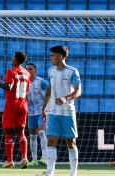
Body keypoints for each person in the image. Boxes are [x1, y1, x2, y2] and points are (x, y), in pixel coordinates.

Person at [36, 45, 81, 176]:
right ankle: (50, 172)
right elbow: (48, 91)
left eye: (52, 55)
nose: (50, 58)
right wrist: (44, 109)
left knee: (71, 143)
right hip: (53, 112)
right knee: (51, 140)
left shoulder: (72, 71)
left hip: (67, 112)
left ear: (60, 57)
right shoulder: (51, 71)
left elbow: (78, 91)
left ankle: (73, 173)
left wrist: (66, 98)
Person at [0, 51, 31, 169]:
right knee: (21, 133)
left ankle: (10, 160)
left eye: (12, 58)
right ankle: (24, 157)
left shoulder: (11, 71)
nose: (11, 60)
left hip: (12, 105)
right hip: (23, 104)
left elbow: (8, 87)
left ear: (15, 60)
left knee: (8, 134)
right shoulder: (27, 73)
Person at [25, 63, 48, 166]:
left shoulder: (41, 82)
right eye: (26, 69)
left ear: (35, 71)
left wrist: (46, 109)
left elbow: (49, 95)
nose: (28, 70)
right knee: (32, 135)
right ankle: (34, 159)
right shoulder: (24, 82)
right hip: (30, 112)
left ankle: (45, 157)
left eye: (30, 69)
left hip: (41, 111)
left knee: (42, 133)